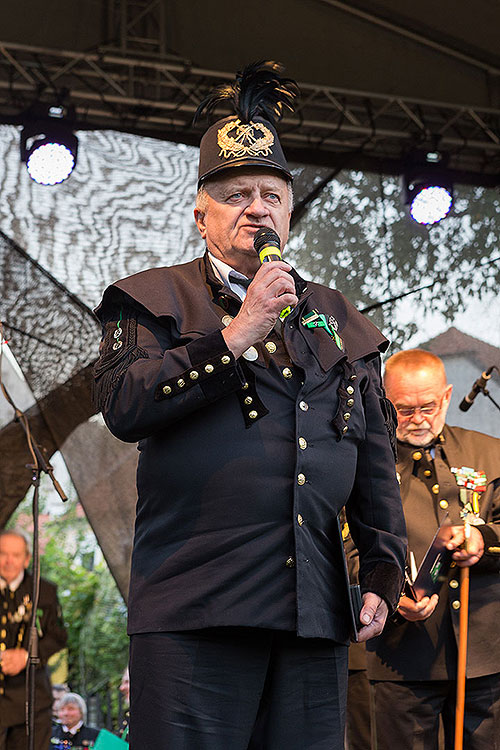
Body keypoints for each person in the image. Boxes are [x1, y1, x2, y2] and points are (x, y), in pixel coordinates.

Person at [93, 61, 406, 749]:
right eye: (236, 195)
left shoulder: (336, 317)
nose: (256, 208)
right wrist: (235, 336)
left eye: (270, 193)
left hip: (315, 615)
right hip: (195, 611)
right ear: (201, 216)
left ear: (289, 210)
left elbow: (373, 454)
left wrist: (383, 566)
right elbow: (123, 403)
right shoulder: (150, 299)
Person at [365, 349, 500, 749]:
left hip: (485, 655)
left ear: (447, 396)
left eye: (428, 406)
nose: (419, 419)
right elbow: (347, 546)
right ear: (384, 400)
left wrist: (483, 541)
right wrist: (390, 596)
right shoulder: (368, 462)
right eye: (404, 410)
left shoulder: (489, 453)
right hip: (403, 658)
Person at [0, 529, 67, 750]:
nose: (9, 561)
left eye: (16, 555)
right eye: (3, 554)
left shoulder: (44, 591)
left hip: (31, 700)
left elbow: (58, 636)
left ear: (27, 558)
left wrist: (27, 656)